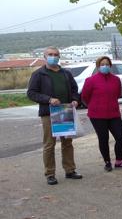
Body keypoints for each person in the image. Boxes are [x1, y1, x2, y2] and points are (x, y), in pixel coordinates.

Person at [26, 46, 83, 185]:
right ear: (44, 57)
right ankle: (50, 173)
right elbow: (31, 93)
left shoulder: (66, 73)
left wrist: (75, 100)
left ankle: (70, 170)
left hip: (66, 110)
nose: (54, 56)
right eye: (50, 54)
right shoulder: (39, 74)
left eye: (56, 54)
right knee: (49, 144)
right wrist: (48, 99)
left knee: (67, 143)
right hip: (49, 113)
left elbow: (75, 89)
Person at [81, 56, 122, 171]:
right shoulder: (90, 80)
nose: (105, 66)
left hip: (114, 114)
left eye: (107, 64)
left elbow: (118, 94)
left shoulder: (116, 79)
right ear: (98, 66)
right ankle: (107, 162)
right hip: (97, 115)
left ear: (110, 66)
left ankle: (119, 161)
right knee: (103, 139)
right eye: (102, 64)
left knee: (120, 137)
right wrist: (95, 105)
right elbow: (85, 96)